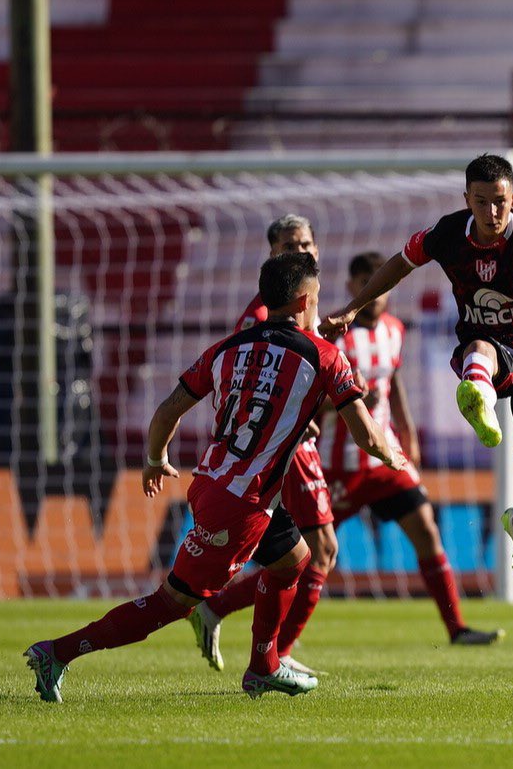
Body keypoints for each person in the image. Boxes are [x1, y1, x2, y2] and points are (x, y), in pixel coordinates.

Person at [23, 253, 407, 701]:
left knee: (294, 560)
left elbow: (168, 409)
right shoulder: (325, 357)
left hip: (215, 482)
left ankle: (264, 665)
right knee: (171, 602)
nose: (319, 309)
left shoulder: (230, 347)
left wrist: (154, 458)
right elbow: (366, 434)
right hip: (239, 504)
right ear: (304, 301)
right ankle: (58, 652)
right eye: (318, 301)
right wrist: (394, 455)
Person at [319, 154, 513, 587]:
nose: (491, 213)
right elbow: (399, 264)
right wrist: (352, 309)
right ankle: (478, 397)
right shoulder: (448, 234)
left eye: (500, 202)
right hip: (487, 349)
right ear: (467, 199)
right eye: (481, 202)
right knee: (481, 346)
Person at [319, 251, 504, 644]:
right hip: (340, 463)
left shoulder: (394, 330)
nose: (376, 294)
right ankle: (256, 624)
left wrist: (408, 433)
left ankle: (457, 629)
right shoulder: (332, 334)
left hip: (386, 457)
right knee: (306, 555)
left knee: (426, 531)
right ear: (352, 286)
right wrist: (348, 400)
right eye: (365, 283)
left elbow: (395, 382)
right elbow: (310, 398)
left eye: (379, 285)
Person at [185, 214, 340, 678]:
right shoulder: (259, 317)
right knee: (320, 549)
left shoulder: (301, 305)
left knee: (304, 553)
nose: (303, 251)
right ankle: (276, 656)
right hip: (277, 448)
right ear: (272, 255)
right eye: (291, 244)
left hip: (286, 441)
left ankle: (226, 618)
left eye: (308, 243)